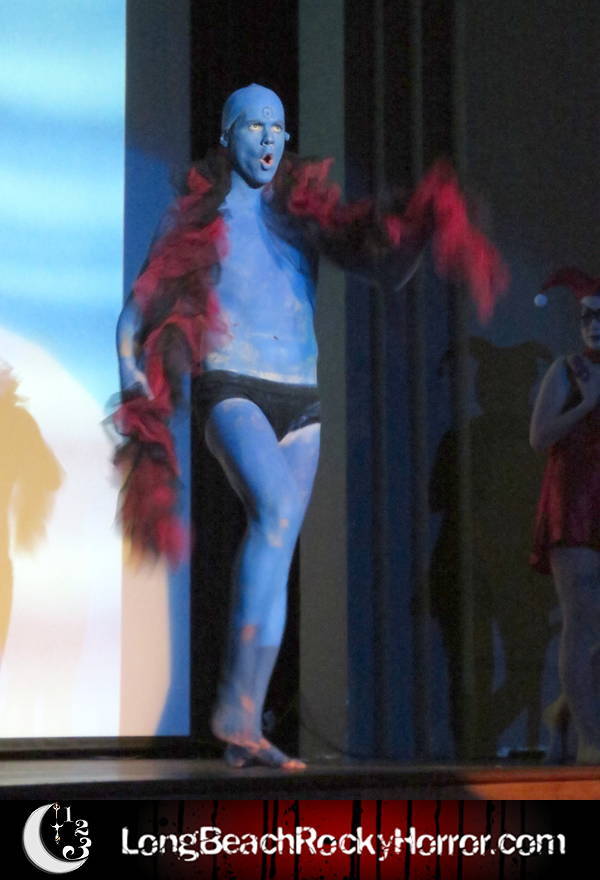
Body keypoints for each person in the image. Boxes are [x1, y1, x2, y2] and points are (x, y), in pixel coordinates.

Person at [115, 84, 506, 769]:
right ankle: (233, 706)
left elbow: (390, 269)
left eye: (278, 127)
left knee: (279, 548)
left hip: (303, 397)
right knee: (272, 514)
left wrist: (426, 226)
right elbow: (136, 311)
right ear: (227, 136)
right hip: (232, 384)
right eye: (254, 126)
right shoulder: (196, 217)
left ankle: (246, 722)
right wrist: (130, 379)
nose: (269, 138)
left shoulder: (304, 216)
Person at [530, 267, 600, 763]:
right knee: (581, 619)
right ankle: (591, 738)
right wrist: (588, 402)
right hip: (575, 503)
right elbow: (540, 438)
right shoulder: (569, 369)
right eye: (587, 317)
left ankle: (565, 710)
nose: (594, 326)